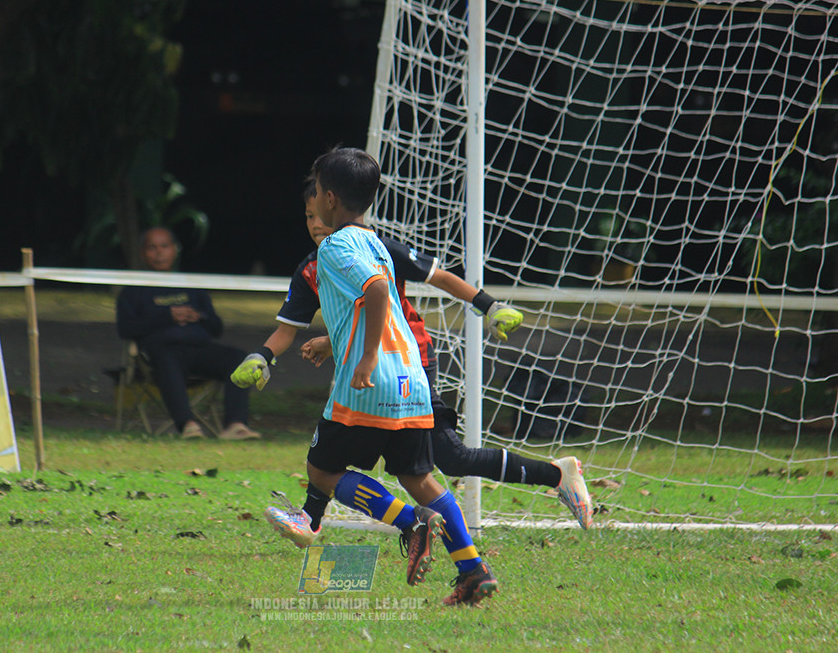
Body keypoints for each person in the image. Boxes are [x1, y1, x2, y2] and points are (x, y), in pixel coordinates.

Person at [232, 176, 592, 548]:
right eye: (308, 217)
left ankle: (549, 479)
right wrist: (263, 356)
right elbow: (295, 327)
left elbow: (436, 278)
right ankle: (319, 521)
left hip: (408, 361)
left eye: (318, 213)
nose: (315, 224)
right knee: (369, 453)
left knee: (442, 459)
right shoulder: (313, 267)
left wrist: (490, 306)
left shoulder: (376, 248)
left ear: (334, 203)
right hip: (365, 366)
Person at [243, 147, 498, 606]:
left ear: (328, 199)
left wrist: (361, 360)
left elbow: (376, 291)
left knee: (322, 471)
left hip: (370, 379)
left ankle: (409, 523)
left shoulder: (336, 246)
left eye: (316, 193)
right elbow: (368, 303)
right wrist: (334, 341)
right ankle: (473, 569)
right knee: (421, 477)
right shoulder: (375, 241)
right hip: (410, 378)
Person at [116, 226, 260, 441]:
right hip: (160, 354)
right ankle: (187, 424)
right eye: (152, 248)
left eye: (164, 246)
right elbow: (126, 329)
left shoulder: (192, 285)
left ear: (175, 250)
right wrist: (168, 317)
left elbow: (216, 328)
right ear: (142, 253)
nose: (159, 252)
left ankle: (235, 424)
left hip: (199, 349)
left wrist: (199, 316)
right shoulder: (133, 289)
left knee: (240, 359)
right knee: (167, 358)